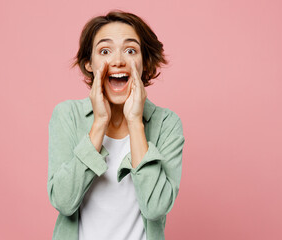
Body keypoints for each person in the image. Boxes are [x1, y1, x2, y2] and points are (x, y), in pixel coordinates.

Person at [47, 10, 185, 240]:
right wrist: (100, 123)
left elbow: (156, 208)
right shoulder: (67, 115)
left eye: (130, 50)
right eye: (105, 51)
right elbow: (63, 202)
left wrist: (135, 122)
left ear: (146, 63)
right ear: (89, 63)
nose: (119, 60)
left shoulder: (167, 124)